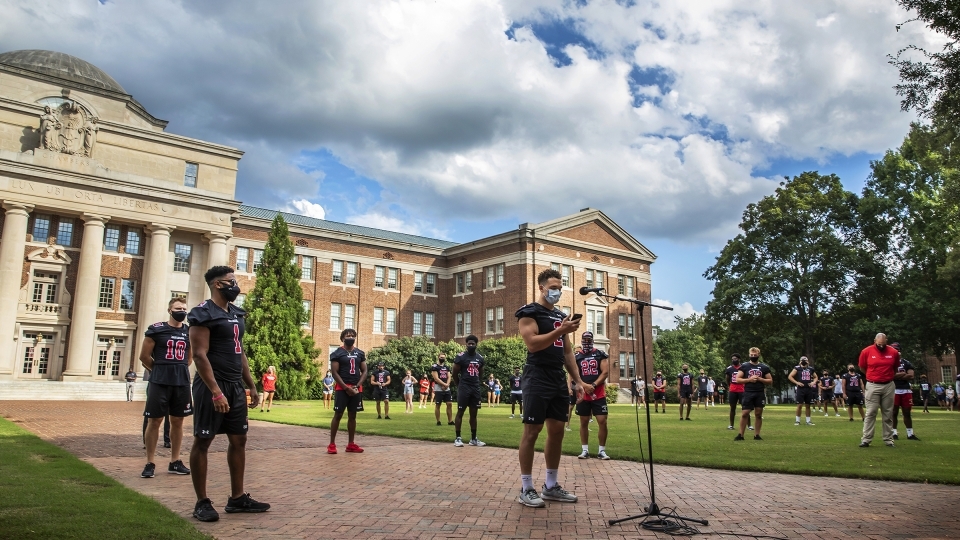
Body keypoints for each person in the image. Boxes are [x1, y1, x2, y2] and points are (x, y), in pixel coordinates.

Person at [188, 266, 269, 522]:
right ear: (216, 285)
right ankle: (201, 502)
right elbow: (199, 355)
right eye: (230, 282)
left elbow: (239, 351)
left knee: (239, 440)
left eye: (235, 281)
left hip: (235, 387)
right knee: (203, 441)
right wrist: (215, 392)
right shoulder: (202, 313)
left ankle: (237, 498)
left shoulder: (236, 313)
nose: (235, 285)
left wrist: (251, 385)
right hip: (212, 386)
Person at [515, 268, 589, 508]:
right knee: (532, 430)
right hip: (537, 375)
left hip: (557, 376)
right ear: (541, 288)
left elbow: (567, 351)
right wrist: (560, 330)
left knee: (557, 429)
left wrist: (577, 380)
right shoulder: (529, 313)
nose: (557, 291)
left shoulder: (560, 315)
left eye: (560, 287)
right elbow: (532, 344)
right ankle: (526, 488)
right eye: (553, 287)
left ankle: (551, 486)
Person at [139, 297, 192, 479]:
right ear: (170, 310)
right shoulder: (156, 330)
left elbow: (189, 358)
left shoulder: (189, 332)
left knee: (178, 421)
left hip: (181, 382)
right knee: (155, 420)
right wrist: (160, 369)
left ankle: (175, 461)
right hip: (160, 381)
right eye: (178, 308)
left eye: (184, 308)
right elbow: (144, 356)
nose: (182, 311)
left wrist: (178, 369)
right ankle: (150, 462)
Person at [328, 328, 367, 454]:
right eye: (347, 335)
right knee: (338, 414)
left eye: (352, 335)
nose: (350, 337)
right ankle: (332, 444)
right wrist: (345, 387)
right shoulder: (337, 353)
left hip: (356, 388)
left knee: (352, 415)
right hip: (342, 388)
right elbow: (334, 372)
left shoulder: (360, 353)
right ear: (343, 338)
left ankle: (351, 444)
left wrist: (357, 386)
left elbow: (364, 370)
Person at [858, 333, 899, 448]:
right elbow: (862, 367)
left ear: (886, 341)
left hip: (888, 385)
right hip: (872, 385)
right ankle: (866, 439)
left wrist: (887, 377)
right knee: (871, 412)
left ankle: (888, 439)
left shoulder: (893, 352)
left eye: (883, 344)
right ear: (875, 340)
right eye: (879, 344)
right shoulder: (866, 351)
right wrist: (872, 377)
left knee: (888, 413)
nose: (881, 346)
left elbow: (895, 368)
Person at [575, 332, 610, 460]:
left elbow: (605, 372)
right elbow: (575, 374)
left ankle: (601, 450)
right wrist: (585, 386)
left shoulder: (600, 354)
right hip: (583, 393)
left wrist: (593, 385)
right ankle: (585, 450)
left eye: (589, 339)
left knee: (602, 421)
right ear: (581, 340)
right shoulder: (577, 356)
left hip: (598, 392)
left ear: (592, 340)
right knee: (583, 422)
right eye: (584, 339)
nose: (587, 342)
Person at [452, 335, 485, 447]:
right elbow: (454, 373)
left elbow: (481, 373)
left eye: (473, 344)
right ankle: (458, 438)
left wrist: (477, 384)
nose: (471, 345)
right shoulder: (461, 357)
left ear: (476, 344)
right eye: (469, 344)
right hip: (464, 387)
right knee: (460, 411)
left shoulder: (480, 358)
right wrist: (459, 385)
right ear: (466, 344)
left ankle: (473, 438)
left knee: (474, 414)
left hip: (475, 388)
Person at [734, 348, 772, 441]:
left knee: (758, 414)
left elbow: (770, 380)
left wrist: (760, 379)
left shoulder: (764, 367)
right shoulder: (745, 366)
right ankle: (741, 434)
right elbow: (737, 379)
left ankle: (757, 435)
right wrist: (749, 380)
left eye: (755, 355)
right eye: (751, 355)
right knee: (745, 413)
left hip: (759, 392)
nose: (753, 356)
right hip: (748, 392)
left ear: (759, 355)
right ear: (749, 354)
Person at [889, 343, 920, 441]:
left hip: (905, 389)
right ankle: (894, 433)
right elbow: (889, 376)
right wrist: (903, 374)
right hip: (893, 389)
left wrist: (897, 375)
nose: (896, 351)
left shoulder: (906, 362)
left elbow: (911, 375)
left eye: (897, 349)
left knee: (907, 412)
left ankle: (910, 434)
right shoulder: (888, 363)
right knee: (894, 412)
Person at [788, 356, 819, 426]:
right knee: (799, 405)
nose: (804, 361)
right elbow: (790, 376)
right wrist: (797, 382)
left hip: (808, 388)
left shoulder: (810, 369)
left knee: (808, 405)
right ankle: (797, 420)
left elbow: (816, 377)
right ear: (800, 361)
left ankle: (808, 421)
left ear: (808, 361)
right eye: (803, 360)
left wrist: (813, 382)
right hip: (800, 389)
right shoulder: (797, 368)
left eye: (805, 360)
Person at [725, 354, 750, 431]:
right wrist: (730, 386)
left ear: (739, 359)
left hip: (742, 389)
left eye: (735, 359)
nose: (733, 360)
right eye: (732, 359)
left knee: (745, 408)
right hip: (733, 389)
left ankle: (749, 425)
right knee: (732, 408)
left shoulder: (744, 367)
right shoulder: (729, 369)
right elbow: (727, 379)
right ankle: (731, 425)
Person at [432, 354, 454, 426]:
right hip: (438, 388)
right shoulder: (435, 367)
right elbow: (436, 378)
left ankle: (450, 421)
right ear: (438, 357)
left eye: (444, 357)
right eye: (441, 357)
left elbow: (449, 376)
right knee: (438, 404)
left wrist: (447, 384)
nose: (442, 359)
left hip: (446, 388)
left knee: (449, 404)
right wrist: (443, 385)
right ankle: (438, 421)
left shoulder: (446, 367)